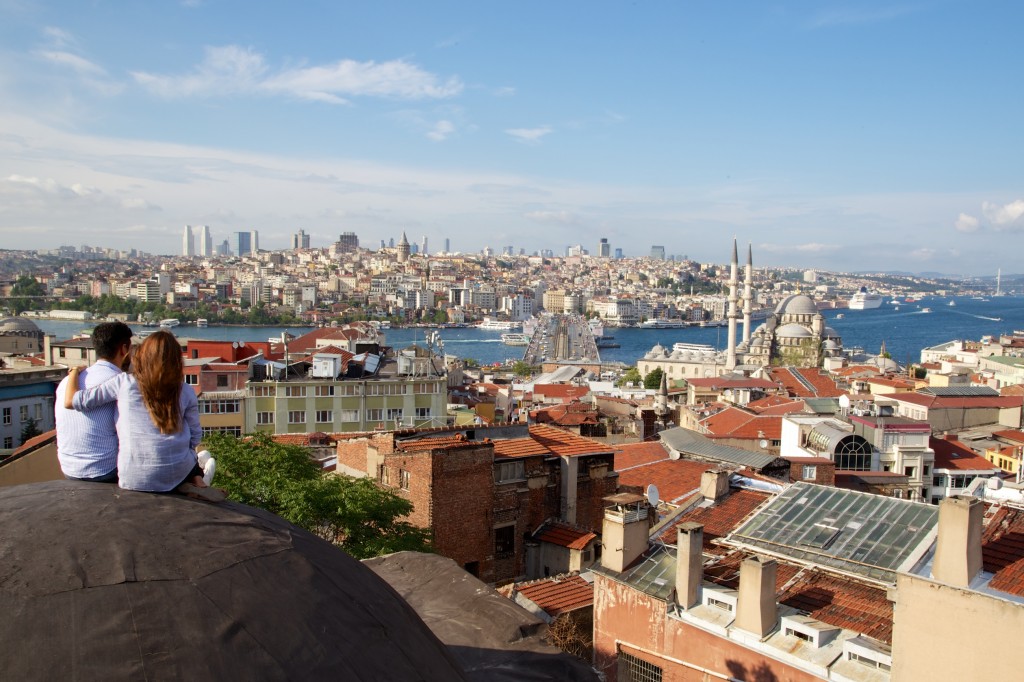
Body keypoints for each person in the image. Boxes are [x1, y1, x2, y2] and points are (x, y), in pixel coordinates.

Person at [65, 330, 224, 501]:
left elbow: (73, 401)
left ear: (141, 355)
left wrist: (74, 372)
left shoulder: (123, 382)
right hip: (176, 471)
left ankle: (195, 480)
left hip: (133, 477)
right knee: (193, 455)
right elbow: (195, 437)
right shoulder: (186, 390)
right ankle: (198, 480)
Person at [55, 321, 134, 483]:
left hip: (69, 468)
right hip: (104, 469)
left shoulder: (67, 382)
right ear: (124, 349)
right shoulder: (120, 383)